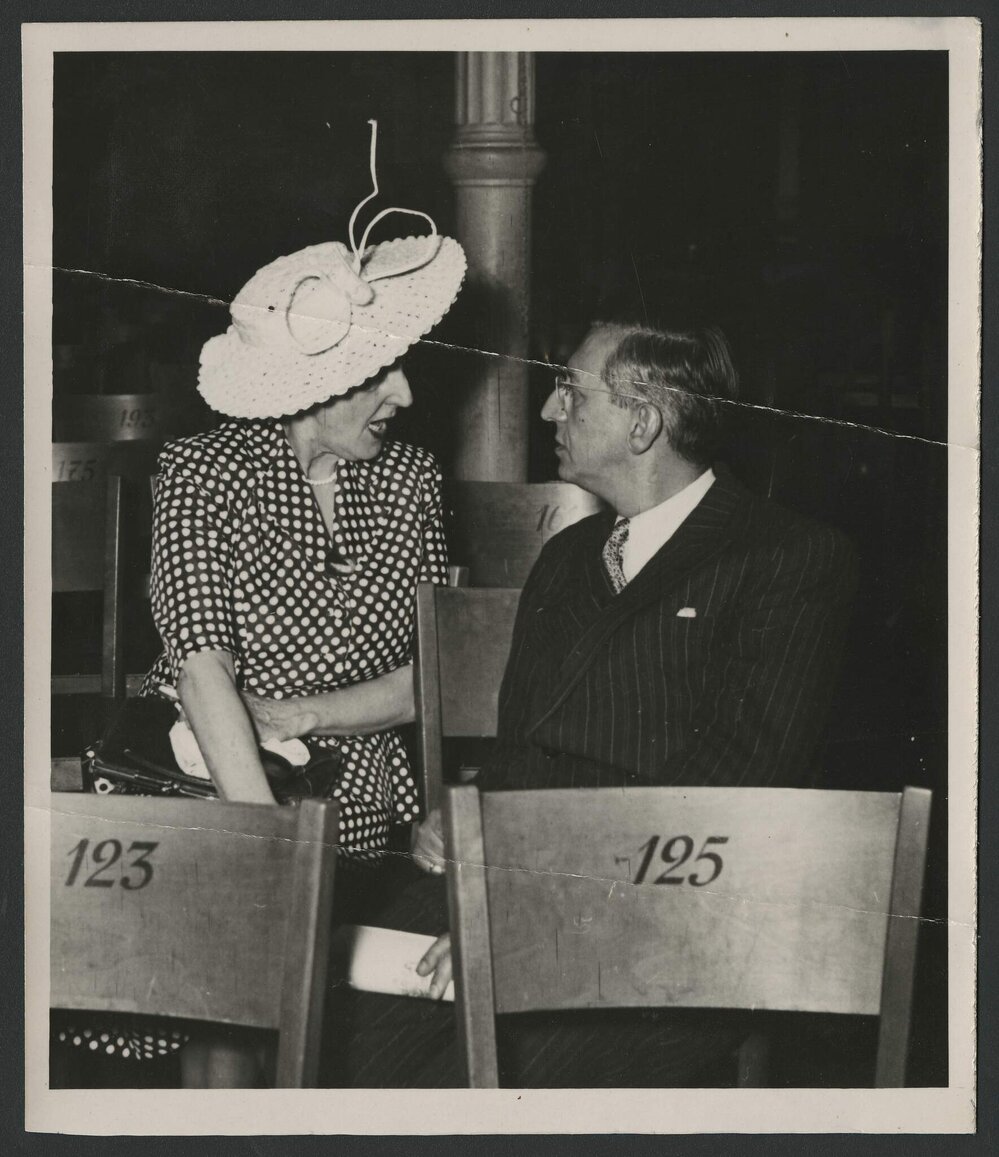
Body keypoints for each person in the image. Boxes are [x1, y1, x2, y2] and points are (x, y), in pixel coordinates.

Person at [327, 315, 858, 1088]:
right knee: (327, 1039)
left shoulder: (785, 556)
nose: (549, 410)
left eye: (571, 392)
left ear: (642, 423)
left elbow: (730, 787)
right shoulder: (567, 556)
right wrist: (466, 820)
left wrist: (539, 909)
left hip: (673, 920)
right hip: (515, 880)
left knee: (473, 1083)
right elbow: (523, 747)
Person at [51, 122, 467, 1087]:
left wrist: (309, 715)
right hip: (211, 773)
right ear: (316, 386)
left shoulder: (410, 480)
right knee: (228, 970)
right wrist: (263, 841)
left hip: (361, 789)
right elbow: (201, 663)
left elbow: (431, 675)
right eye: (383, 373)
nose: (407, 393)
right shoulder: (202, 471)